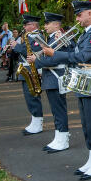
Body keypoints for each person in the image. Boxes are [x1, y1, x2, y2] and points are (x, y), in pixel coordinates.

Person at [42, 1, 91, 180]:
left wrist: (54, 54)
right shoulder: (86, 34)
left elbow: (83, 56)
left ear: (90, 13)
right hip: (83, 80)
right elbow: (75, 51)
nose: (77, 18)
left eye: (80, 15)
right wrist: (63, 43)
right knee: (86, 123)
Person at [28, 12, 74, 153]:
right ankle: (59, 136)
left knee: (58, 109)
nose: (45, 26)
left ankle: (63, 138)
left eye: (47, 23)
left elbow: (59, 58)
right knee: (55, 110)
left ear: (56, 24)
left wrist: (37, 60)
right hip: (51, 77)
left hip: (56, 77)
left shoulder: (61, 37)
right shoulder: (52, 37)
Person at [10, 14, 45, 135]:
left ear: (34, 25)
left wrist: (17, 46)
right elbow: (20, 54)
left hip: (32, 69)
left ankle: (38, 123)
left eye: (26, 24)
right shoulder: (27, 36)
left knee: (33, 97)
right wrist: (12, 49)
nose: (24, 26)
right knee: (29, 96)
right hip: (26, 68)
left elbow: (32, 54)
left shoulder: (37, 36)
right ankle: (34, 120)